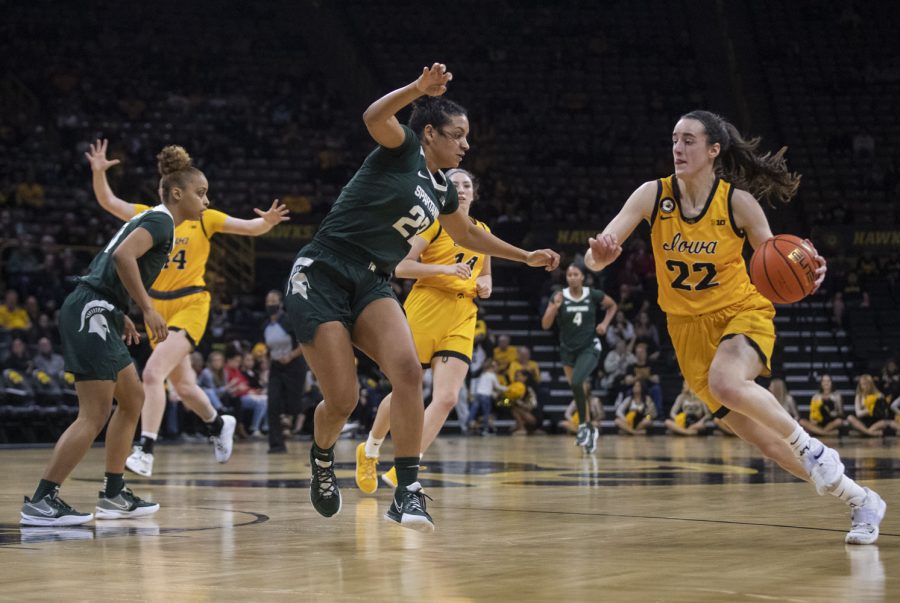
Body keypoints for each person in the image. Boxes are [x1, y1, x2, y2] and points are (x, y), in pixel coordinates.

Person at [585, 109, 885, 544]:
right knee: (766, 443)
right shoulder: (651, 195)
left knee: (727, 383)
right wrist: (601, 256)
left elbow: (778, 260)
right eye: (674, 139)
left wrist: (808, 267)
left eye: (689, 140)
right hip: (686, 329)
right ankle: (860, 501)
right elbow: (597, 254)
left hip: (741, 312)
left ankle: (816, 449)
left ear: (713, 150)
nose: (677, 148)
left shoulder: (738, 203)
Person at [283, 64, 558, 532]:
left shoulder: (443, 190)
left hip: (371, 281)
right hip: (324, 269)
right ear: (429, 134)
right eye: (457, 135)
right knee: (343, 400)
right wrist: (415, 90)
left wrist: (523, 255)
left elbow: (468, 233)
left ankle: (407, 491)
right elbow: (373, 117)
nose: (466, 145)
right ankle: (323, 458)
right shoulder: (402, 149)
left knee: (409, 371)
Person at [20, 146, 206, 526]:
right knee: (95, 412)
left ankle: (115, 492)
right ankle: (42, 500)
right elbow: (123, 257)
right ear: (176, 193)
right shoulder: (162, 222)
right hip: (91, 308)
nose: (206, 200)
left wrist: (119, 311)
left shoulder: (156, 219)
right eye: (201, 192)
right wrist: (146, 307)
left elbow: (109, 263)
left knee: (133, 397)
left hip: (101, 308)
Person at [85, 140, 289, 476]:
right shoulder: (148, 216)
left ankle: (146, 450)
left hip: (192, 302)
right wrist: (98, 172)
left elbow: (249, 228)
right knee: (182, 386)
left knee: (151, 374)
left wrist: (267, 221)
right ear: (176, 191)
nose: (206, 199)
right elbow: (108, 201)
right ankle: (218, 422)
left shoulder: (203, 218)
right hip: (157, 308)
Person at [355, 167, 494, 493]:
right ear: (444, 191)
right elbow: (402, 266)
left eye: (467, 185)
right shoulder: (433, 224)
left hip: (462, 314)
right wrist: (445, 268)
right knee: (406, 390)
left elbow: (485, 275)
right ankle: (370, 450)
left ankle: (406, 466)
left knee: (447, 397)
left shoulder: (483, 231)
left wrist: (485, 285)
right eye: (455, 184)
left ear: (474, 192)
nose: (461, 189)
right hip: (426, 307)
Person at [541, 262, 616, 453]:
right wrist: (554, 308)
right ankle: (590, 430)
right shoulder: (559, 296)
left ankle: (582, 426)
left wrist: (605, 324)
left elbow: (612, 305)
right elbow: (545, 325)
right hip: (567, 350)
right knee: (577, 388)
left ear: (582, 277)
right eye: (569, 275)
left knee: (577, 382)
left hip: (589, 346)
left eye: (576, 274)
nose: (572, 277)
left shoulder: (592, 294)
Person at [263, 289, 306, 453]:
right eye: (268, 301)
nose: (270, 305)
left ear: (280, 304)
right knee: (272, 403)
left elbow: (304, 342)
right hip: (276, 366)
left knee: (294, 404)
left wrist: (290, 356)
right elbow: (266, 348)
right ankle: (276, 444)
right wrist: (266, 362)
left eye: (273, 301)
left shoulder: (288, 321)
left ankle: (292, 419)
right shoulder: (266, 325)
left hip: (294, 365)